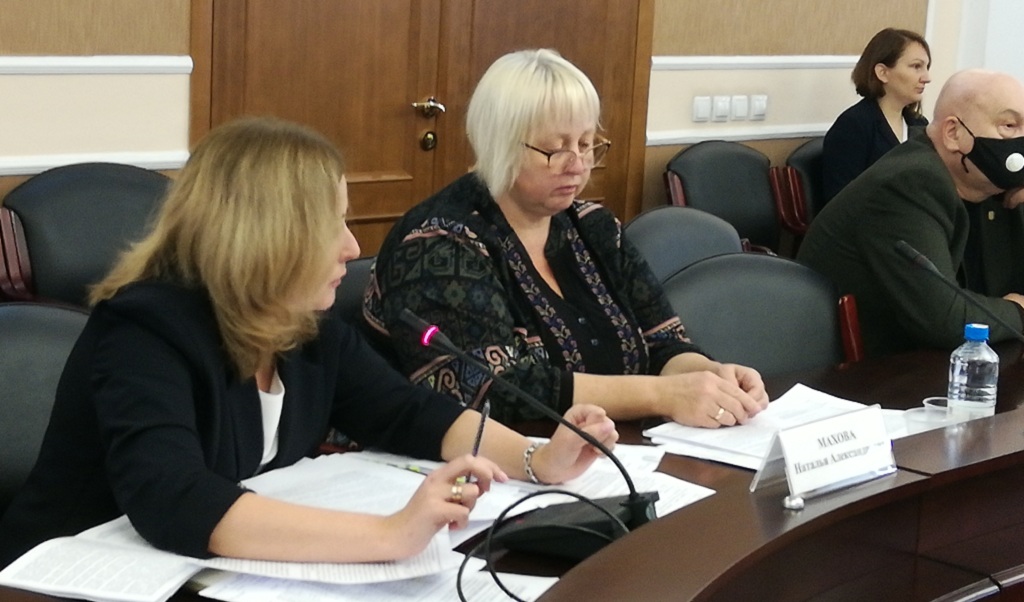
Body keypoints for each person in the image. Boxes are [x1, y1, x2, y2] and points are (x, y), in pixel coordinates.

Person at [0, 117, 618, 569]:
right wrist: (390, 535)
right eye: (332, 224)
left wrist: (537, 459)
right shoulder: (146, 331)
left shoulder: (301, 327)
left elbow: (409, 414)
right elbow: (175, 498)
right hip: (67, 577)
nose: (352, 247)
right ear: (267, 236)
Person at [364, 49, 769, 429]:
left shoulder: (594, 227)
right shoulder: (437, 244)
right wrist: (662, 395)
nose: (577, 165)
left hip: (603, 451)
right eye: (555, 149)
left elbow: (660, 342)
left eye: (587, 144)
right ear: (500, 144)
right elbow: (492, 389)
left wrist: (709, 376)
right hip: (457, 462)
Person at [797, 69, 1024, 358]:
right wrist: (1018, 311)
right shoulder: (909, 184)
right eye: (1009, 126)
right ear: (953, 133)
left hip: (945, 364)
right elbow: (944, 319)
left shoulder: (995, 188)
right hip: (864, 371)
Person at [822, 28, 932, 203]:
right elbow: (842, 201)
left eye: (926, 67)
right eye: (916, 66)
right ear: (882, 72)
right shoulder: (853, 126)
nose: (926, 78)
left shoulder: (919, 124)